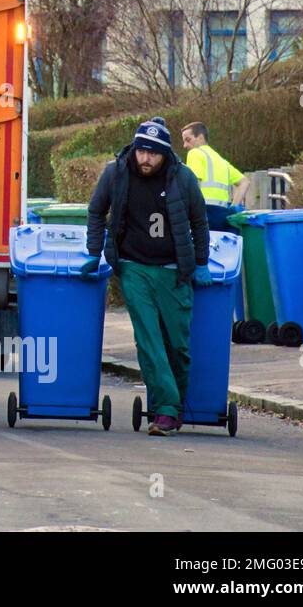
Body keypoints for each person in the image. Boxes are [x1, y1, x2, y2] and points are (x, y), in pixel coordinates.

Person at [81, 117, 211, 436]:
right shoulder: (116, 173)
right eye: (141, 151)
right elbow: (97, 210)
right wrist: (93, 250)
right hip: (133, 266)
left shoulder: (183, 178)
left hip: (173, 271)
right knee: (149, 340)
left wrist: (201, 261)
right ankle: (166, 411)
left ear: (165, 154)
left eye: (153, 153)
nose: (145, 159)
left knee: (177, 346)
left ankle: (171, 407)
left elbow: (199, 221)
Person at [180, 122, 250, 232]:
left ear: (200, 137)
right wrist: (233, 208)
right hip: (223, 215)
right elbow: (244, 181)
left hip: (202, 212)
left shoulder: (194, 153)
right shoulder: (220, 160)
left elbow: (194, 185)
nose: (185, 145)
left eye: (188, 140)